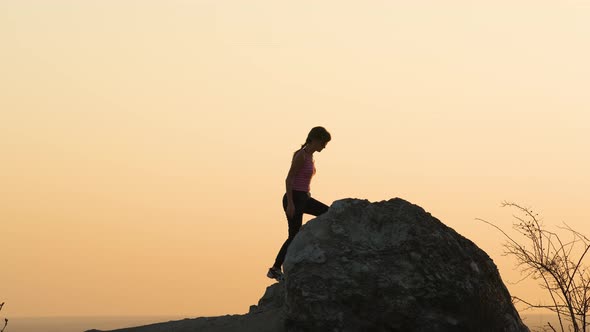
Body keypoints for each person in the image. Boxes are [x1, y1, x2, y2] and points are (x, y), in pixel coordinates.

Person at [267, 126, 332, 281]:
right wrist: (290, 204)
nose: (324, 146)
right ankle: (275, 268)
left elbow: (303, 180)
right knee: (293, 235)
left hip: (304, 197)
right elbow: (289, 179)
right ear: (315, 139)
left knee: (329, 212)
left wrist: (307, 194)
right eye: (323, 142)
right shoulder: (301, 155)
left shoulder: (310, 156)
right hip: (294, 198)